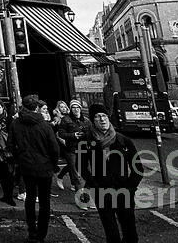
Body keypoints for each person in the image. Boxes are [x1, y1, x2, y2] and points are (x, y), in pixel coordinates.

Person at [80, 103, 142, 243]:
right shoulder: (87, 141)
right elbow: (82, 166)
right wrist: (94, 185)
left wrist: (130, 188)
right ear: (92, 120)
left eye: (104, 116)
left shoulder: (123, 140)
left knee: (130, 231)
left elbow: (138, 168)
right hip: (102, 192)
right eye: (97, 117)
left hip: (123, 192)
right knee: (111, 232)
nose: (102, 119)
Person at [8, 95, 60, 243]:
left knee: (30, 198)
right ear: (36, 107)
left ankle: (32, 232)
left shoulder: (16, 123)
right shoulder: (44, 125)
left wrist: (20, 159)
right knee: (44, 201)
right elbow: (54, 148)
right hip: (45, 167)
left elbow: (11, 145)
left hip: (27, 167)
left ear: (23, 106)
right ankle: (41, 234)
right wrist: (53, 163)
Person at [57, 99, 90, 192]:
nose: (76, 109)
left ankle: (84, 190)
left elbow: (91, 133)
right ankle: (79, 192)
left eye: (77, 107)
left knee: (83, 169)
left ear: (80, 108)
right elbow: (61, 133)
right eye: (73, 108)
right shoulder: (66, 119)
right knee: (74, 170)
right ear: (71, 109)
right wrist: (73, 135)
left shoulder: (86, 120)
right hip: (71, 148)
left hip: (83, 148)